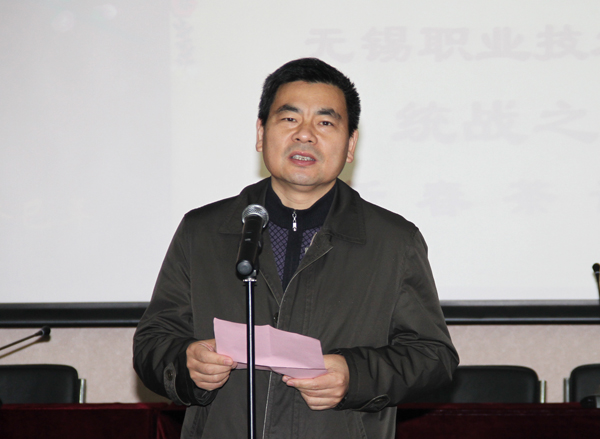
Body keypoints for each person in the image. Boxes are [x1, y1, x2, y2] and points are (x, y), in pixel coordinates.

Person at [133, 57, 458, 438]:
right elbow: (153, 342)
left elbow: (433, 357)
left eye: (325, 123)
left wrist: (355, 376)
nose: (305, 135)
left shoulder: (393, 241)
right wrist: (186, 364)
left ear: (350, 144)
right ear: (260, 133)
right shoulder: (203, 231)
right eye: (289, 119)